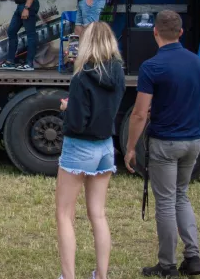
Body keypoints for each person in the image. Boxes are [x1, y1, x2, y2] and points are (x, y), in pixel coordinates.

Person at [124, 10, 200, 278]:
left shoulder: (152, 66)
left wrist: (131, 147)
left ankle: (167, 265)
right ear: (181, 33)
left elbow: (139, 113)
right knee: (181, 196)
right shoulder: (197, 62)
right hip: (193, 141)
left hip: (166, 143)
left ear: (155, 32)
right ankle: (193, 257)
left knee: (166, 202)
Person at [56, 22, 125, 279]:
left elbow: (76, 123)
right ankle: (102, 275)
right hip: (105, 147)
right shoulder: (118, 73)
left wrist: (67, 108)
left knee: (64, 214)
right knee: (98, 214)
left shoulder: (81, 76)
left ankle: (68, 276)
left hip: (79, 147)